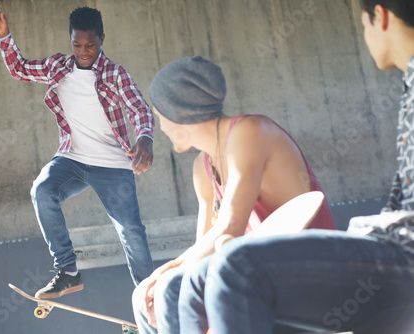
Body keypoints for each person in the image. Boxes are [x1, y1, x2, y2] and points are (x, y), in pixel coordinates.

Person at [177, 0, 414, 333]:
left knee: (237, 266)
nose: (365, 36)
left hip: (401, 253)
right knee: (190, 279)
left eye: (363, 25)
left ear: (380, 16)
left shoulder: (249, 132)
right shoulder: (409, 87)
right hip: (388, 243)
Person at [132, 56, 337, 333]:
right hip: (255, 274)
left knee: (171, 286)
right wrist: (163, 274)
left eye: (159, 115)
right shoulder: (202, 168)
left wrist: (168, 274)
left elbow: (230, 225)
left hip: (306, 269)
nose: (161, 127)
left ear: (178, 112)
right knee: (146, 294)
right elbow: (203, 248)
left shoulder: (249, 131)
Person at [0, 7, 155, 298]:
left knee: (131, 231)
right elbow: (20, 69)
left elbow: (138, 107)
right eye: (77, 45)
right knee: (42, 190)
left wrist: (145, 139)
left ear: (101, 39)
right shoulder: (58, 66)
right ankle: (68, 272)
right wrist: (4, 36)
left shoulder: (115, 73)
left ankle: (151, 297)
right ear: (70, 41)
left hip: (113, 164)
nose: (84, 51)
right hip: (73, 159)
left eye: (90, 45)